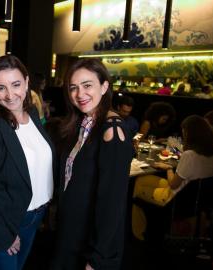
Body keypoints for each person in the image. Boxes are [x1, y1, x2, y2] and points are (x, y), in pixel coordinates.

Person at [0, 55, 55, 270]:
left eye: (16, 84)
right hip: (6, 219)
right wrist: (3, 234)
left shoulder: (33, 114)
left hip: (35, 216)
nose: (10, 95)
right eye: (1, 88)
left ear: (26, 82)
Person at [51, 58, 133, 270]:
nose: (80, 94)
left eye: (88, 85)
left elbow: (113, 204)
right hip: (72, 231)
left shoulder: (112, 131)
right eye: (73, 88)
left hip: (91, 242)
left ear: (104, 86)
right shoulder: (83, 122)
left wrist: (97, 258)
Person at [132, 115, 213, 240]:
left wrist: (168, 168)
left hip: (177, 199)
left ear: (190, 133)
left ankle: (139, 232)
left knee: (137, 190)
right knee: (141, 180)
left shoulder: (189, 155)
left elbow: (173, 184)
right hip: (199, 200)